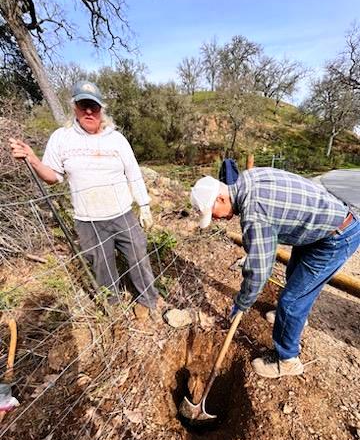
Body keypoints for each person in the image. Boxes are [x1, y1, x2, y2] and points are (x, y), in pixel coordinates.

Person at [10, 80, 160, 321]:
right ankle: (112, 307)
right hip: (87, 219)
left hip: (122, 214)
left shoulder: (117, 140)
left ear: (101, 109)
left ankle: (148, 301)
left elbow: (133, 173)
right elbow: (53, 177)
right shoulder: (62, 138)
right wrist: (33, 159)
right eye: (83, 105)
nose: (89, 111)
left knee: (138, 255)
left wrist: (143, 206)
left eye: (93, 106)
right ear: (75, 108)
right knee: (101, 264)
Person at [190, 168, 360, 378]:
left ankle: (287, 360)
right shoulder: (248, 178)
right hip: (320, 227)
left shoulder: (253, 214)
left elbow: (260, 270)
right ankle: (292, 319)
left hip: (335, 236)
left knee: (292, 299)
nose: (215, 219)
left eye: (211, 213)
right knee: (294, 277)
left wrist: (242, 302)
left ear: (221, 198)